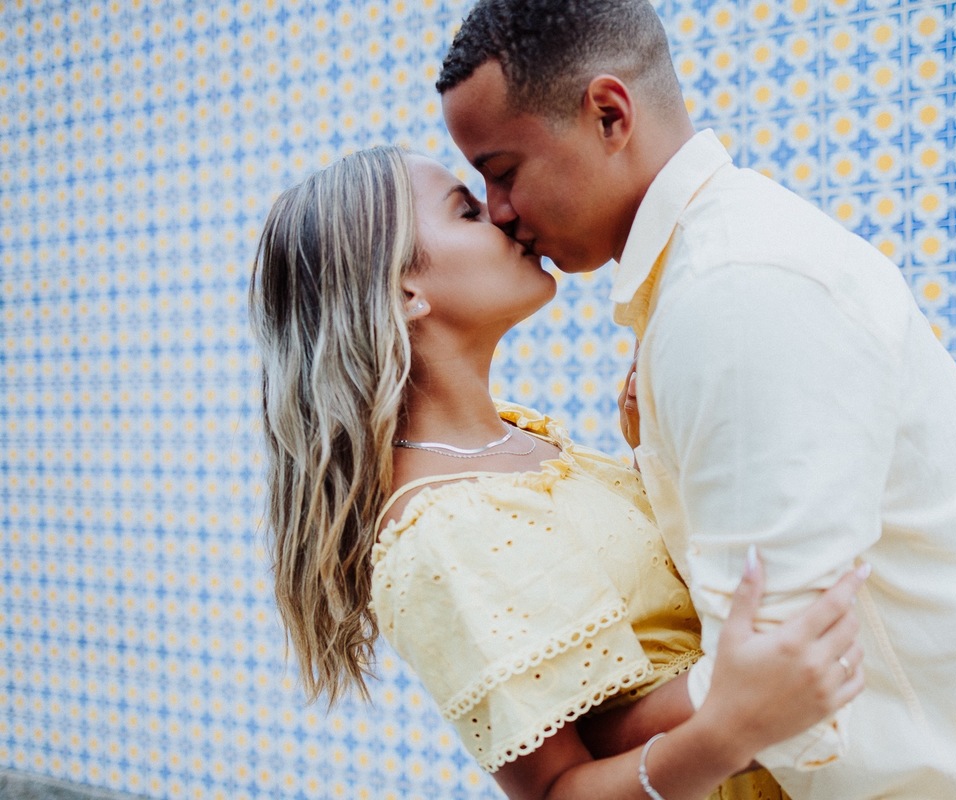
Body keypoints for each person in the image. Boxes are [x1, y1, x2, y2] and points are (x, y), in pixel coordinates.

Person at [436, 1, 956, 797]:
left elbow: (782, 677)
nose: (500, 212)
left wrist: (583, 728)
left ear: (610, 114)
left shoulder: (734, 293)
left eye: (502, 172)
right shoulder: (717, 273)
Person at [248, 144, 871, 800]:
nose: (504, 217)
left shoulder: (519, 438)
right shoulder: (440, 530)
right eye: (466, 211)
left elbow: (626, 666)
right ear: (406, 292)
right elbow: (557, 790)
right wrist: (728, 728)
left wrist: (654, 455)